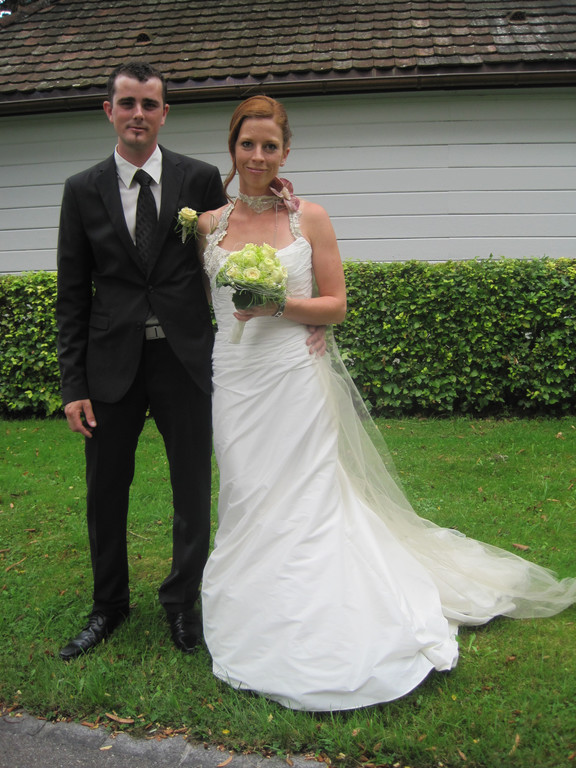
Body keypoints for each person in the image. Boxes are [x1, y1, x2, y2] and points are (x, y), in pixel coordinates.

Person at [198, 95, 576, 711]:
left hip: (294, 377)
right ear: (232, 148)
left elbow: (336, 305)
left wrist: (282, 307)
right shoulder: (206, 225)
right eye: (248, 144)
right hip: (236, 377)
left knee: (307, 495)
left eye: (270, 145)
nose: (258, 156)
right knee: (245, 490)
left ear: (286, 152)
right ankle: (252, 603)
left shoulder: (310, 219)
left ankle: (321, 611)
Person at [55, 61, 230, 660]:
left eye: (149, 104)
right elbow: (72, 294)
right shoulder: (82, 190)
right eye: (127, 103)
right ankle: (109, 605)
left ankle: (182, 601)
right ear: (109, 111)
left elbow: (228, 258)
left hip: (185, 359)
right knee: (105, 489)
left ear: (164, 113)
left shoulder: (200, 179)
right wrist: (73, 384)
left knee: (191, 486)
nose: (138, 114)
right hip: (111, 365)